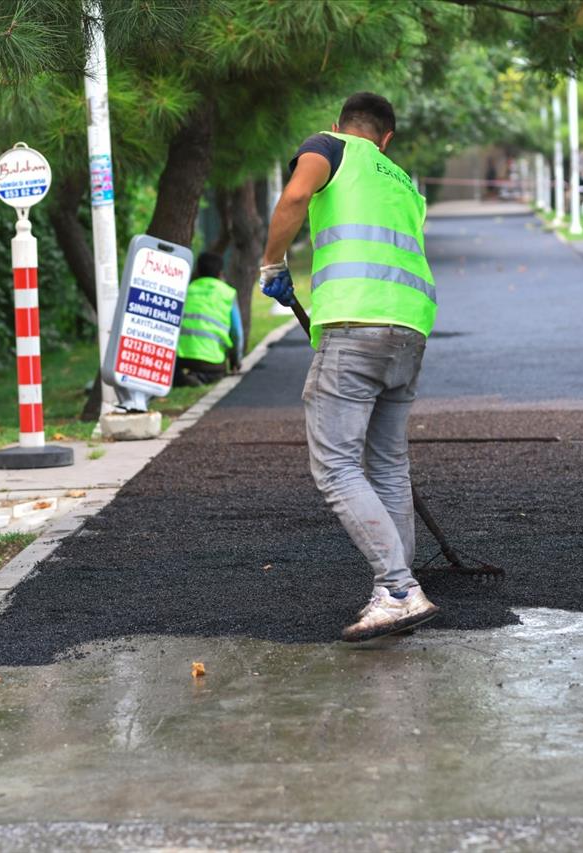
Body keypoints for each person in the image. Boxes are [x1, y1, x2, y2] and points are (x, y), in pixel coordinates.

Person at [258, 92, 439, 643]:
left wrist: (272, 262)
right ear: (387, 139)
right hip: (409, 330)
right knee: (387, 468)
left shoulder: (327, 146)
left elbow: (294, 197)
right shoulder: (406, 184)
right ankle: (396, 591)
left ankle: (400, 591)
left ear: (339, 125)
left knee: (336, 468)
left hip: (354, 329)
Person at [174, 252, 244, 387]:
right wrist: (235, 361)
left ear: (198, 271)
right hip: (210, 360)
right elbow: (236, 333)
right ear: (220, 273)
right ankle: (199, 377)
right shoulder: (228, 293)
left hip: (181, 358)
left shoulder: (186, 290)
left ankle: (184, 377)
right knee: (217, 372)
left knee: (179, 372)